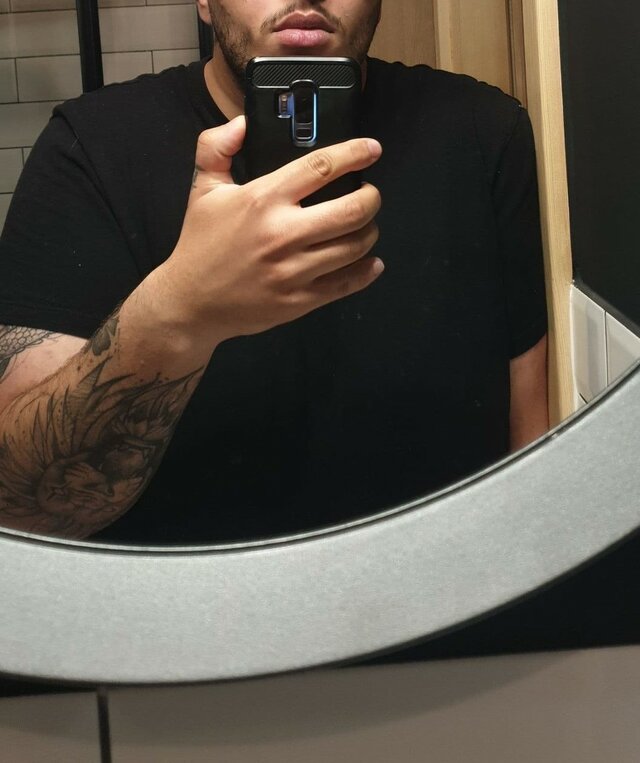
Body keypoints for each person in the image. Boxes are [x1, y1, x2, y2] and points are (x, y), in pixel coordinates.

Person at [0, 0, 548, 544]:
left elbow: (531, 444)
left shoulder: (483, 131)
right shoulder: (92, 147)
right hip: (192, 596)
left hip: (449, 584)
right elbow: (20, 508)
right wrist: (177, 314)